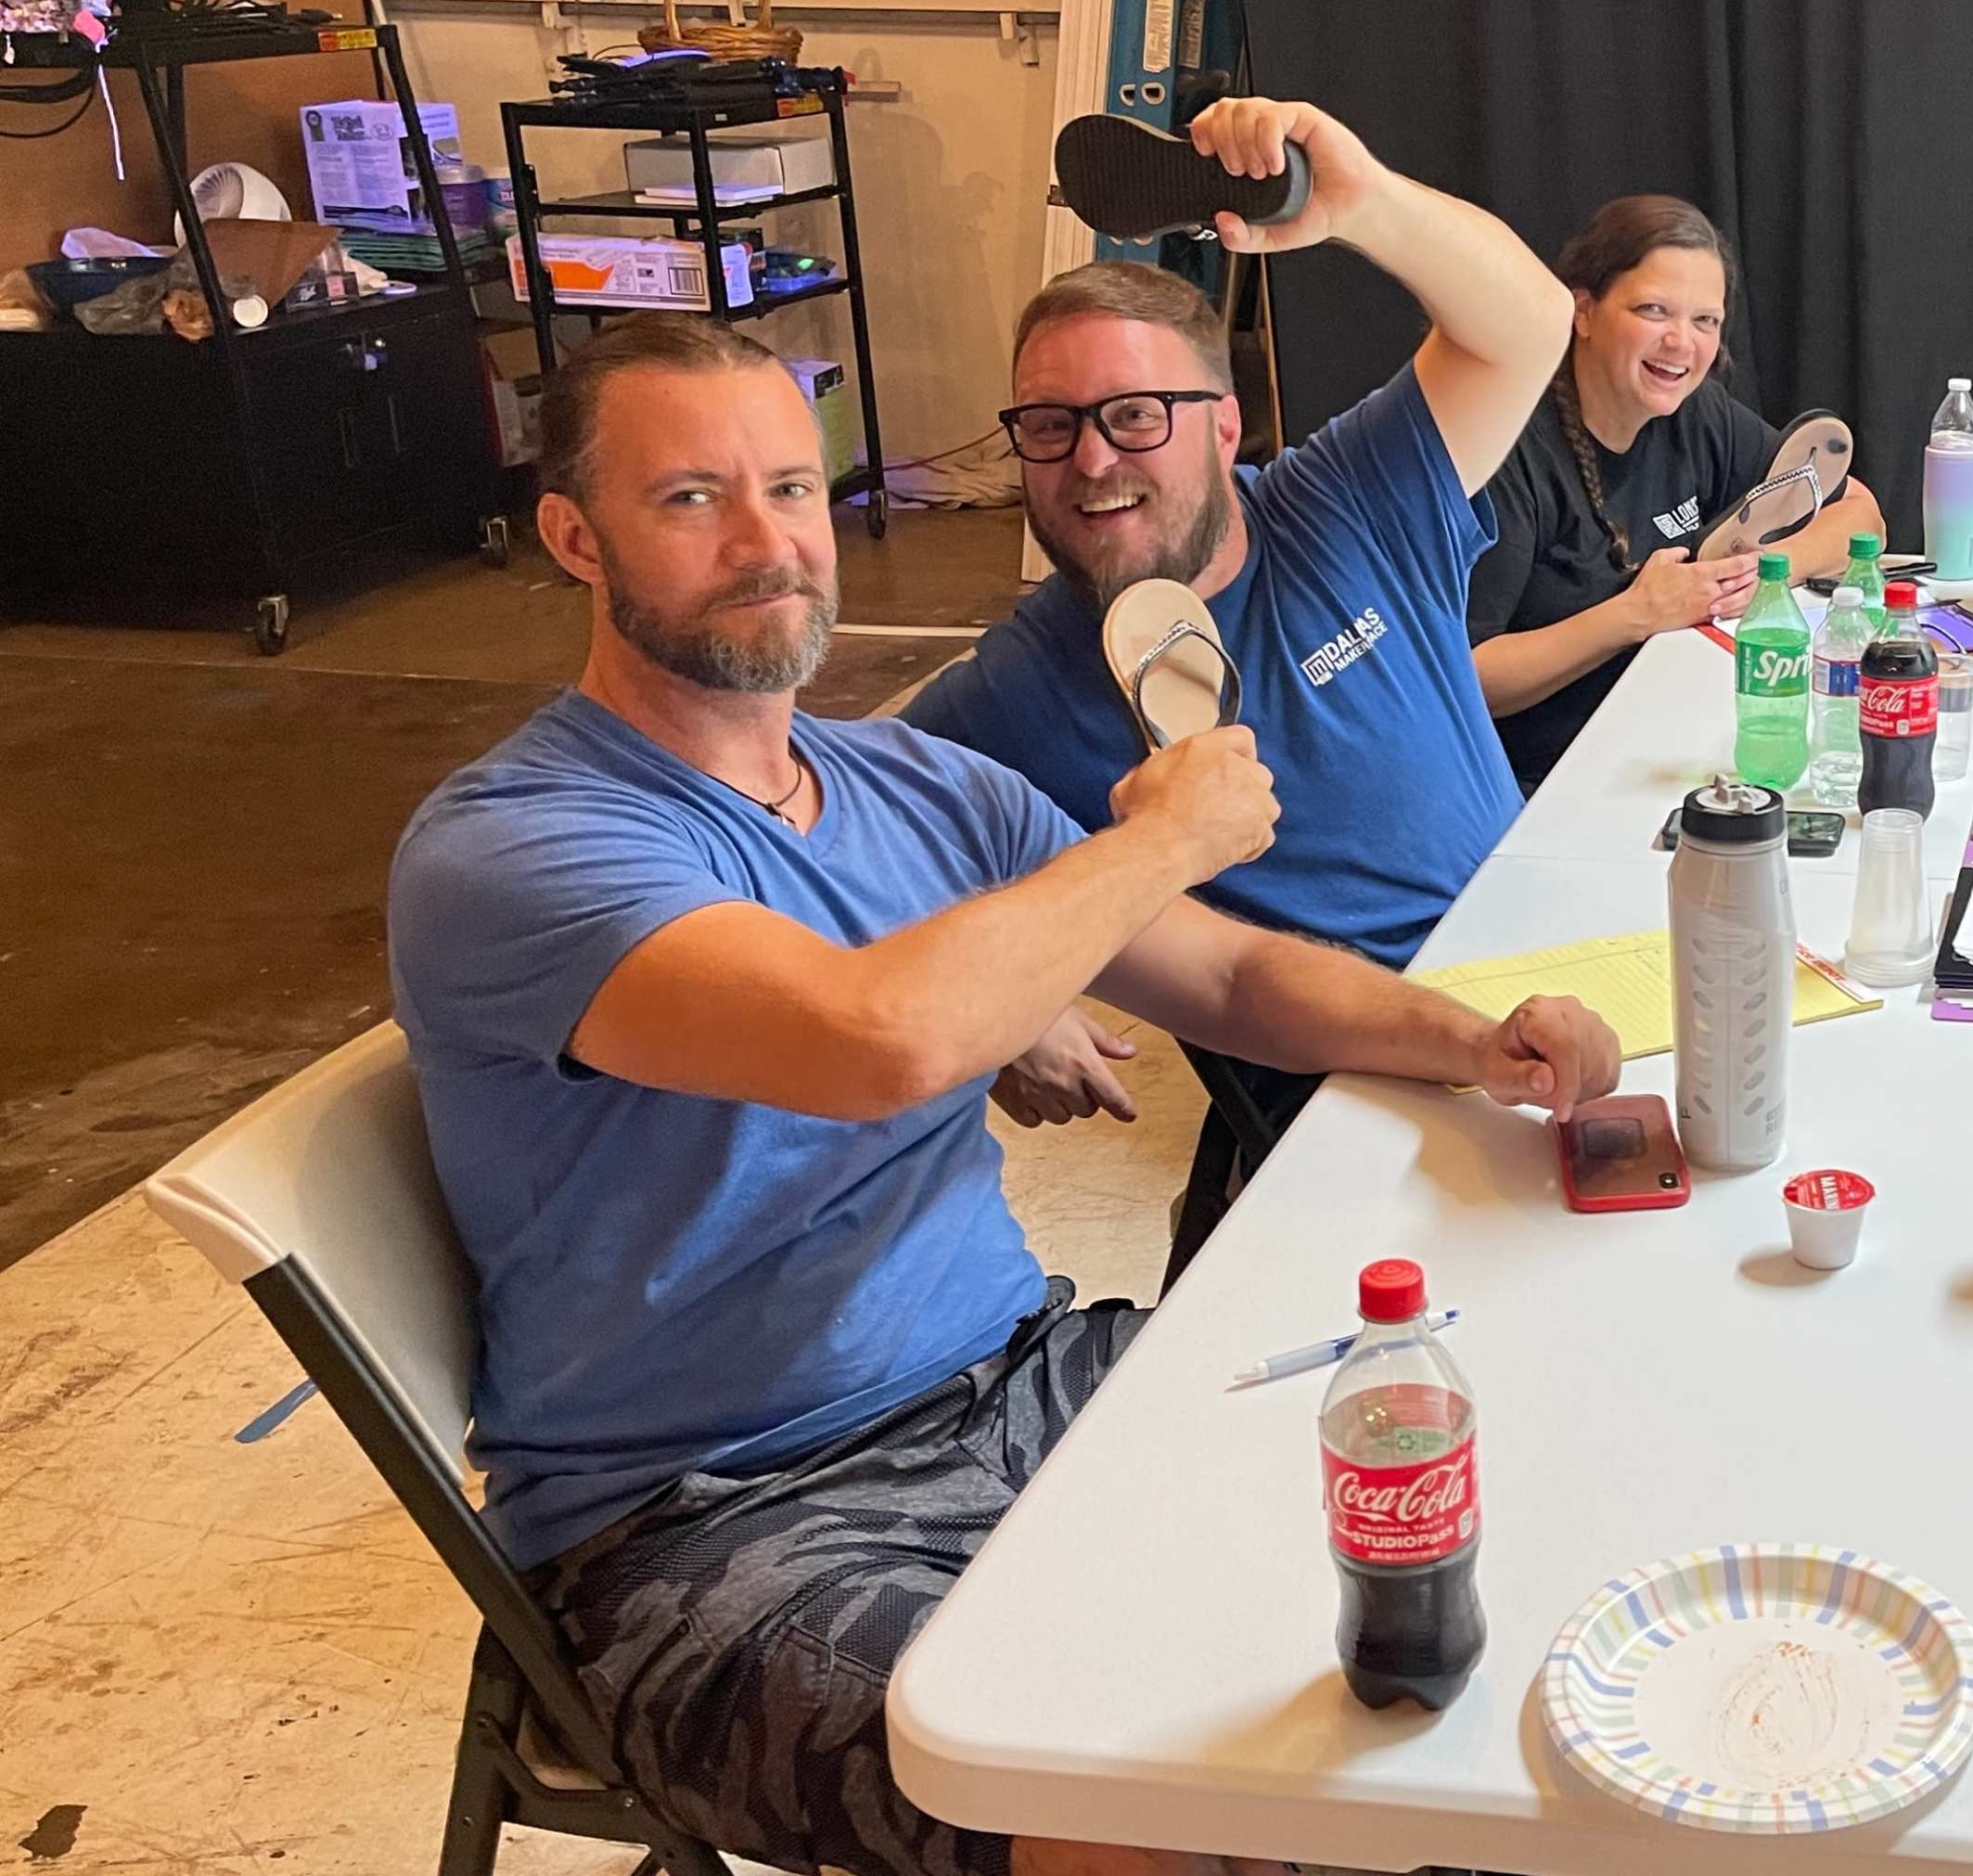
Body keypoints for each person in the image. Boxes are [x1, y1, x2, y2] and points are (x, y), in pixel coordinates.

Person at [386, 315, 1623, 1876]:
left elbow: (1235, 980)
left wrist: (1477, 1040)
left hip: (1020, 1379)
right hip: (718, 1519)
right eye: (692, 499)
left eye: (790, 487)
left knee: (1477, 1504)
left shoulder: (916, 786)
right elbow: (873, 1040)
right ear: (576, 538)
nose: (768, 543)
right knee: (1166, 1827)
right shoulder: (518, 843)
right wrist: (1163, 839)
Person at [899, 97, 1572, 1259]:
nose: (1091, 459)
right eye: (1048, 426)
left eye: (1135, 416)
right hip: (1358, 1104)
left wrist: (1361, 200)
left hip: (1551, 965)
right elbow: (835, 859)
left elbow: (1530, 323)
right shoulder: (1008, 695)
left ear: (1224, 425)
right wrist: (1008, 1011)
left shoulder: (1346, 502)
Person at [1467, 194, 1884, 789]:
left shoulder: (1696, 413)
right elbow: (1472, 678)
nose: (1681, 343)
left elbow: (1861, 515)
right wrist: (1634, 614)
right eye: (1654, 310)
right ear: (1583, 311)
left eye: (1705, 321)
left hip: (1672, 744)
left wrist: (1769, 570)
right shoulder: (1511, 452)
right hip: (1549, 784)